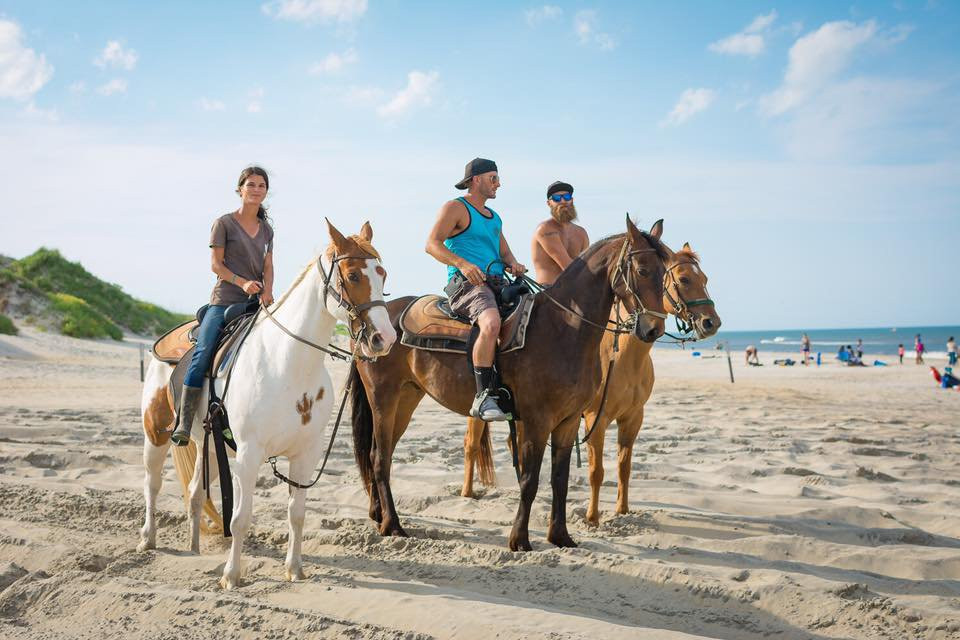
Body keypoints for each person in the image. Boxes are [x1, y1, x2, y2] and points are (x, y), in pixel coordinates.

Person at [171, 167, 275, 446]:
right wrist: (241, 283)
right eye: (251, 184)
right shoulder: (224, 223)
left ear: (266, 191)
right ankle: (184, 419)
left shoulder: (267, 230)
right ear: (240, 189)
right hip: (225, 300)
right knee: (203, 354)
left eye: (261, 185)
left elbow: (268, 266)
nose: (256, 189)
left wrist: (269, 292)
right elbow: (216, 265)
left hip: (254, 303)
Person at [425, 158, 527, 422]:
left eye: (498, 179)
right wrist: (462, 263)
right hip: (468, 285)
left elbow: (503, 252)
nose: (499, 184)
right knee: (491, 322)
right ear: (476, 180)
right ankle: (483, 397)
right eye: (493, 178)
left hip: (497, 283)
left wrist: (514, 264)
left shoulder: (495, 218)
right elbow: (432, 244)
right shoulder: (456, 207)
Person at [530, 181, 590, 285]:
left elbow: (587, 265)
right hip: (548, 292)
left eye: (566, 197)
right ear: (549, 203)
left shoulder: (581, 233)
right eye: (557, 198)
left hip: (576, 293)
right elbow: (568, 267)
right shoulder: (545, 229)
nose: (563, 201)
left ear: (571, 200)